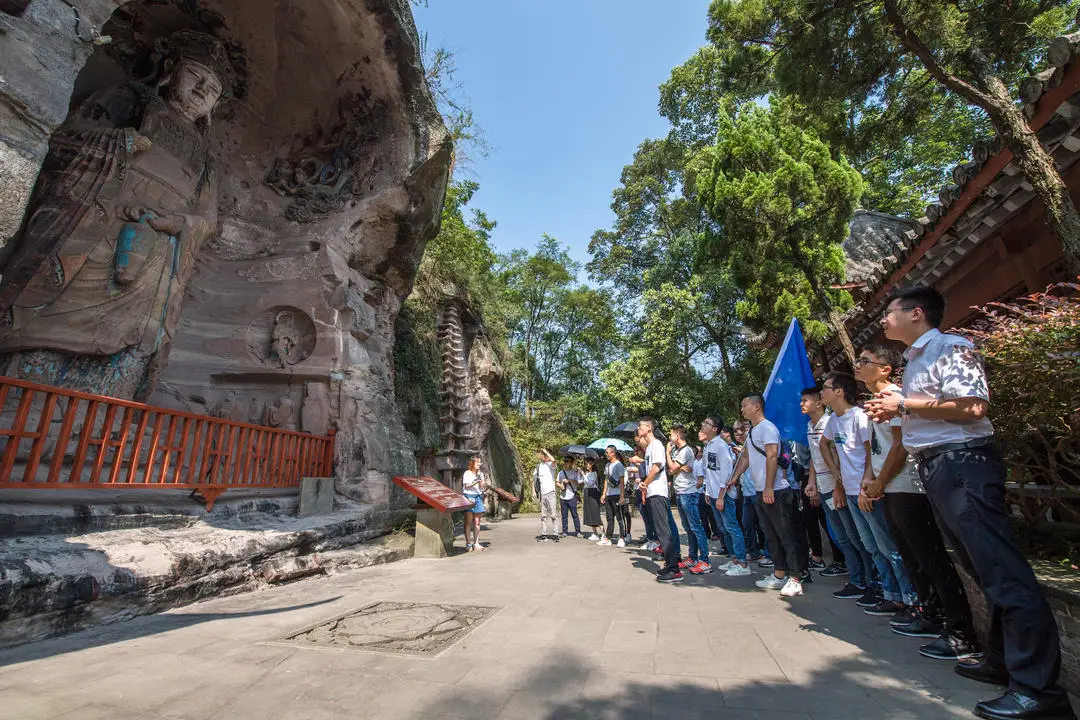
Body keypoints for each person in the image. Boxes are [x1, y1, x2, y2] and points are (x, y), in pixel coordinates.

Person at [865, 285, 1072, 720]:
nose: (883, 320)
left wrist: (904, 401)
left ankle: (1040, 692)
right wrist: (900, 411)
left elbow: (973, 406)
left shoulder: (951, 346)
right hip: (939, 467)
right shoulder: (915, 359)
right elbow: (935, 410)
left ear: (916, 314)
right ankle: (1002, 662)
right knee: (982, 571)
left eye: (889, 312)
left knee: (1005, 573)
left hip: (964, 465)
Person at [856, 343, 978, 657]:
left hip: (907, 486)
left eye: (865, 361)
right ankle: (926, 610)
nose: (858, 365)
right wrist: (870, 479)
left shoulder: (897, 397)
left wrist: (881, 481)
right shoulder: (875, 401)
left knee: (930, 557)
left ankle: (957, 628)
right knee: (911, 556)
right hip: (888, 487)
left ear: (885, 368)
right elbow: (876, 448)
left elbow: (900, 446)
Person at [820, 372, 917, 618]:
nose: (822, 393)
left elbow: (869, 452)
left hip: (867, 492)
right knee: (869, 545)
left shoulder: (860, 417)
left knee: (887, 547)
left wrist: (867, 483)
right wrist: (838, 478)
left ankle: (910, 600)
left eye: (826, 388)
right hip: (850, 491)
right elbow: (824, 445)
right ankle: (888, 593)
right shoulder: (833, 420)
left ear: (840, 391)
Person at [729, 394, 806, 597]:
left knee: (785, 534)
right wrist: (734, 476)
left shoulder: (768, 428)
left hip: (777, 490)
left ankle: (796, 577)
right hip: (759, 490)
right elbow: (746, 457)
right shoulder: (753, 431)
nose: (742, 409)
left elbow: (772, 455)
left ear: (756, 406)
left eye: (744, 405)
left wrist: (769, 486)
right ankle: (778, 573)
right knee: (770, 534)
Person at [801, 386, 861, 589]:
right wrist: (812, 482)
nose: (802, 404)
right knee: (840, 536)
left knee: (851, 536)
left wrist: (838, 486)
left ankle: (862, 579)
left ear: (818, 403)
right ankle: (856, 578)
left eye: (805, 401)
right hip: (823, 486)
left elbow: (837, 457)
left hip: (838, 487)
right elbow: (814, 458)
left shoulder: (829, 423)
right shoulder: (810, 426)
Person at [701, 415, 751, 577]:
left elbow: (726, 472)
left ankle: (743, 562)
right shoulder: (709, 446)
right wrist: (708, 492)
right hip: (714, 494)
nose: (703, 425)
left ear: (715, 428)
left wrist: (722, 495)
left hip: (725, 495)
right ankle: (734, 558)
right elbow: (709, 472)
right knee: (723, 528)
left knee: (731, 527)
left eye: (707, 424)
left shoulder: (721, 446)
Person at [635, 418, 683, 582]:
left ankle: (674, 569)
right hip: (651, 493)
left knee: (664, 531)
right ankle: (670, 565)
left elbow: (657, 467)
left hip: (657, 493)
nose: (638, 428)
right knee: (661, 531)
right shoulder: (649, 448)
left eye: (640, 426)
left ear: (649, 428)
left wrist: (645, 483)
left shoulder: (656, 445)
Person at [669, 425, 711, 574]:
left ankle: (705, 560)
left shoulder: (686, 450)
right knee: (688, 528)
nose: (670, 437)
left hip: (689, 493)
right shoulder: (679, 451)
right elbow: (672, 469)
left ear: (678, 435)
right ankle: (692, 557)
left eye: (671, 434)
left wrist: (668, 454)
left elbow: (673, 468)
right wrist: (680, 467)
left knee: (696, 527)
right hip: (680, 492)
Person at [733, 420, 768, 566]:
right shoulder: (742, 447)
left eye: (742, 429)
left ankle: (769, 554)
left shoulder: (755, 440)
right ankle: (754, 552)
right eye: (736, 431)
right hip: (746, 490)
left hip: (758, 488)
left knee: (764, 524)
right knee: (746, 523)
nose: (739, 433)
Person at [600, 445, 627, 547]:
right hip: (609, 495)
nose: (606, 454)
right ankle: (608, 537)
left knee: (619, 517)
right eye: (606, 452)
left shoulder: (619, 465)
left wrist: (622, 496)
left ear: (613, 453)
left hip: (617, 494)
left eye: (608, 452)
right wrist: (604, 493)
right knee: (609, 517)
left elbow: (621, 481)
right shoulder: (607, 466)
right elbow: (606, 480)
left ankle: (621, 538)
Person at [462, 456, 486, 552]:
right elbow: (467, 486)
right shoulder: (467, 473)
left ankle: (476, 543)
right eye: (477, 462)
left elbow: (482, 486)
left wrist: (481, 481)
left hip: (478, 496)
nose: (479, 464)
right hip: (469, 497)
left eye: (480, 462)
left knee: (477, 522)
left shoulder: (481, 474)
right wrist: (476, 480)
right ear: (472, 463)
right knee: (468, 521)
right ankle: (468, 543)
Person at [535, 450, 559, 542]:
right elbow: (535, 479)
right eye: (543, 455)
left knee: (553, 515)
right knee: (543, 516)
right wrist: (534, 491)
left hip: (551, 492)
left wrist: (546, 451)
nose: (544, 456)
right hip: (543, 493)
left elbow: (554, 460)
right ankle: (544, 534)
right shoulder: (539, 466)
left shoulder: (551, 465)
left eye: (546, 455)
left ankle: (555, 534)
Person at [556, 457, 583, 537]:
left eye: (567, 461)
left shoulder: (575, 472)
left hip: (572, 496)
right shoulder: (561, 472)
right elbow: (557, 482)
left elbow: (579, 482)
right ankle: (565, 532)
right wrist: (561, 485)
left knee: (575, 515)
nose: (565, 463)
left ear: (572, 463)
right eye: (564, 461)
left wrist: (569, 480)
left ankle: (578, 532)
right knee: (564, 516)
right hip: (563, 497)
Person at [581, 456, 604, 540]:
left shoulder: (594, 473)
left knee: (595, 513)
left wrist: (583, 475)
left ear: (592, 464)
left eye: (589, 463)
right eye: (586, 463)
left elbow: (590, 483)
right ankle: (595, 533)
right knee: (589, 513)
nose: (587, 465)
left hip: (593, 492)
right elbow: (583, 482)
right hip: (587, 492)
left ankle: (603, 533)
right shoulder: (587, 473)